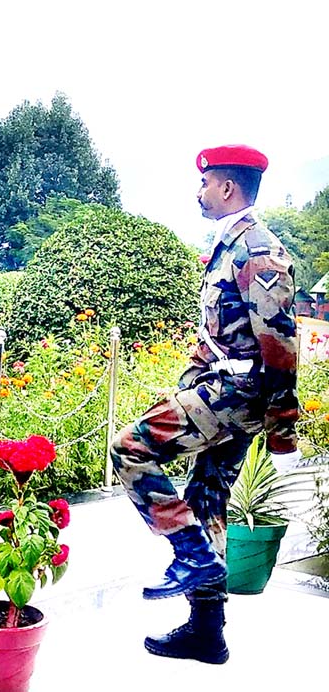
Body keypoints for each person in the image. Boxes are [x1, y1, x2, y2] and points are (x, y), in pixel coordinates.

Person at [110, 144, 299, 664]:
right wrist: (188, 383)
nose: (198, 191)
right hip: (220, 386)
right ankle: (206, 631)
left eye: (205, 183)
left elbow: (280, 341)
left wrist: (284, 421)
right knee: (208, 498)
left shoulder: (256, 249)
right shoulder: (228, 243)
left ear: (227, 188)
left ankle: (192, 555)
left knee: (128, 449)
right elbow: (219, 333)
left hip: (238, 395)